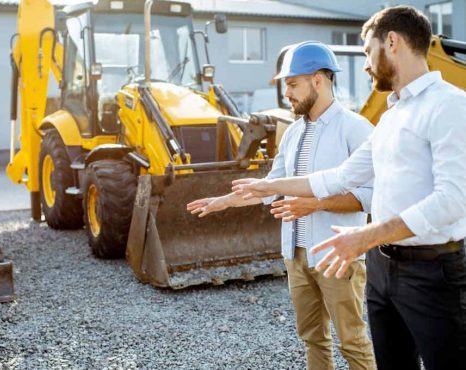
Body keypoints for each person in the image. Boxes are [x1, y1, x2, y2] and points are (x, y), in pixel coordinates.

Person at [232, 6, 466, 370]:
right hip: (382, 267)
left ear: (392, 42)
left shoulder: (450, 105)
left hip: (432, 271)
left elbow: (453, 200)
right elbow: (339, 175)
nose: (366, 65)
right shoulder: (391, 117)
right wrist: (267, 186)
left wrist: (365, 235)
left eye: (368, 52)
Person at [187, 41, 375, 370]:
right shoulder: (292, 133)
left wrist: (314, 205)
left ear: (319, 79)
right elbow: (271, 186)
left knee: (353, 342)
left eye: (292, 84)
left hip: (336, 256)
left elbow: (372, 196)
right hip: (296, 255)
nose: (286, 93)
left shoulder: (356, 129)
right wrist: (224, 202)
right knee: (313, 338)